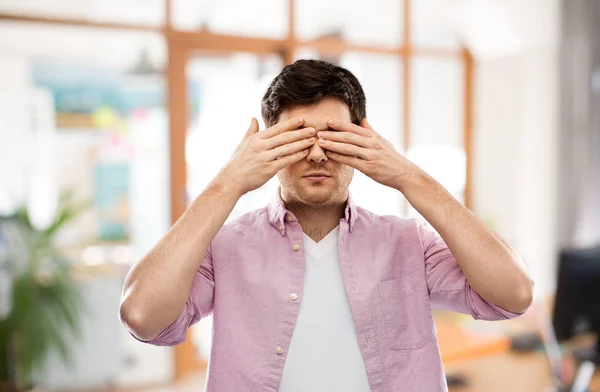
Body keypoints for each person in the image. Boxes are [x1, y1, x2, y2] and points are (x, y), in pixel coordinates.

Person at [119, 59, 534, 392]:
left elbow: (513, 295)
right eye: (298, 138)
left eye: (334, 138)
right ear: (266, 146)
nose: (317, 154)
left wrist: (408, 176)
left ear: (363, 140)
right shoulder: (224, 247)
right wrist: (228, 183)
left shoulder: (408, 242)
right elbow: (142, 315)